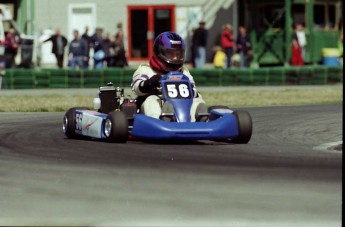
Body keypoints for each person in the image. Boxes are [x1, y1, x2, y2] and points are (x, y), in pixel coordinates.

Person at [131, 31, 207, 122]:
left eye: (178, 54)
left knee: (197, 100)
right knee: (151, 101)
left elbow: (193, 89)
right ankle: (162, 122)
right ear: (160, 52)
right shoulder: (146, 69)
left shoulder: (183, 71)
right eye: (171, 54)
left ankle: (200, 121)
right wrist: (148, 83)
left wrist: (191, 90)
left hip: (182, 107)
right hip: (157, 106)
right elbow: (136, 87)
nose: (175, 58)